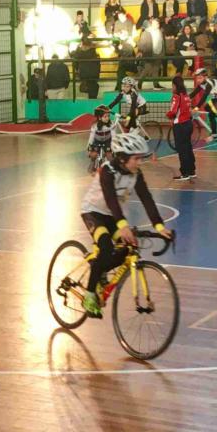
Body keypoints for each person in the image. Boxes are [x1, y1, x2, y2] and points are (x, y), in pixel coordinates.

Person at [76, 130, 172, 316]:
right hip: (93, 212)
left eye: (140, 158)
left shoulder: (136, 173)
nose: (140, 162)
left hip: (112, 215)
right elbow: (111, 199)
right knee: (105, 247)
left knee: (127, 249)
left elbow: (146, 199)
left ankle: (100, 269)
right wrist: (123, 225)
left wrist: (159, 226)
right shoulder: (107, 171)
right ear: (122, 158)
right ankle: (89, 295)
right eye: (136, 158)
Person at [167, 75, 195, 181]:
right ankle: (191, 171)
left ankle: (185, 173)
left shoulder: (176, 96)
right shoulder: (186, 96)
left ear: (175, 85)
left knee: (182, 150)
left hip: (180, 126)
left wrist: (168, 116)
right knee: (188, 148)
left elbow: (173, 111)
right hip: (188, 124)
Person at [86, 105, 113, 173]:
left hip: (107, 141)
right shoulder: (95, 125)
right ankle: (92, 163)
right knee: (93, 155)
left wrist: (113, 146)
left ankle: (111, 167)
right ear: (99, 117)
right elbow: (91, 137)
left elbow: (114, 136)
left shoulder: (111, 124)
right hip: (97, 141)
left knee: (110, 157)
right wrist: (89, 148)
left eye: (108, 116)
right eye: (105, 116)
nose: (107, 118)